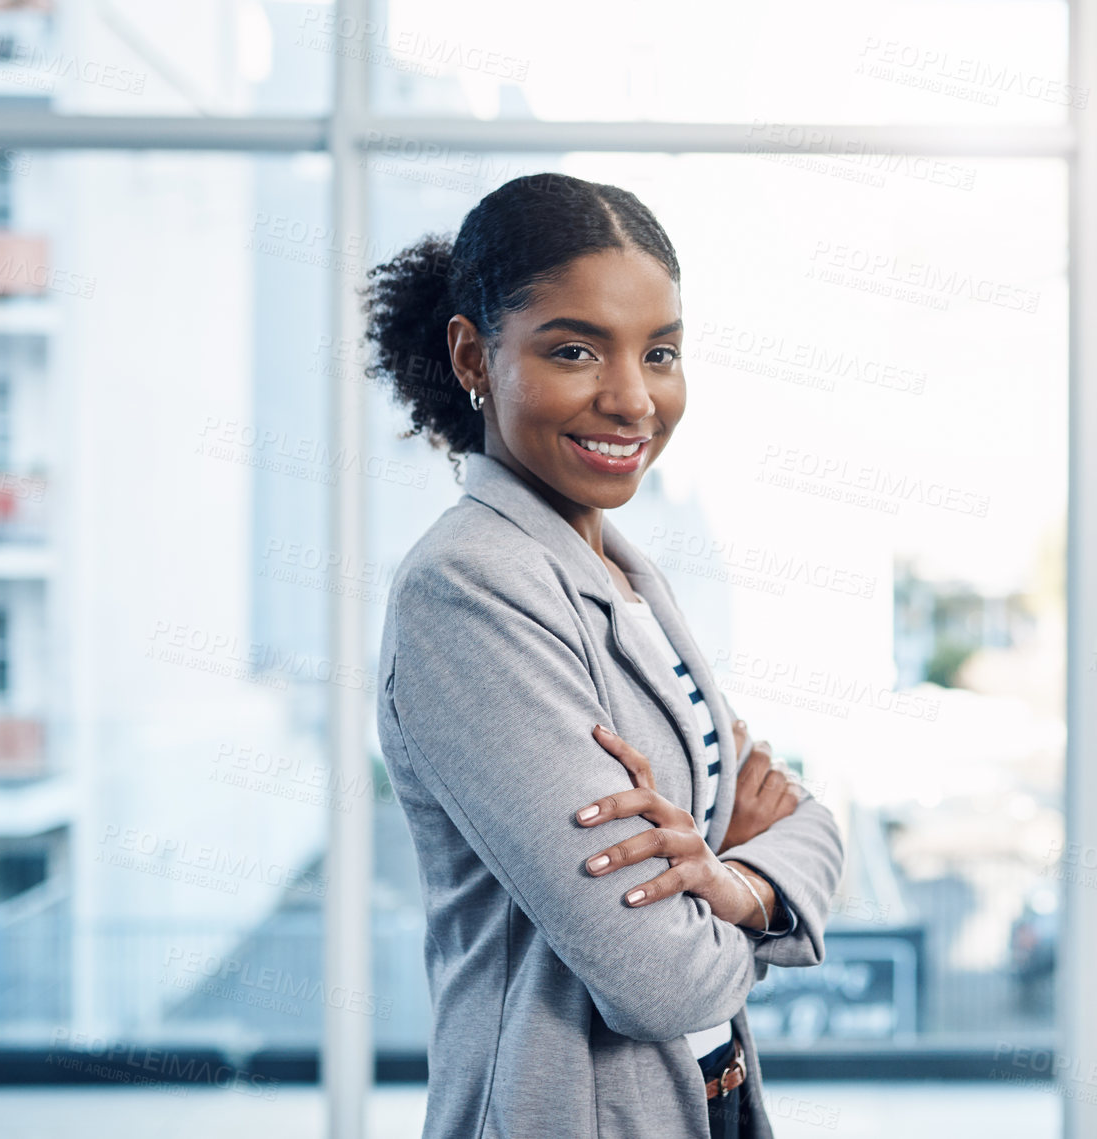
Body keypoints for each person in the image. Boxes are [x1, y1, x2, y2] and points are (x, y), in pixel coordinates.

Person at [364, 171, 845, 1139]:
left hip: (708, 1099)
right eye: (575, 349)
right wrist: (758, 894)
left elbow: (799, 815)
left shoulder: (620, 571)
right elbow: (656, 976)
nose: (632, 399)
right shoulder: (466, 588)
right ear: (472, 354)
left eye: (659, 352)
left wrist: (732, 878)